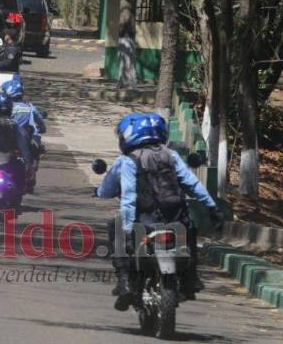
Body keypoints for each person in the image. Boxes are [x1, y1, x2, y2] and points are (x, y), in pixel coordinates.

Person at [95, 112, 223, 310]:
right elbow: (193, 183)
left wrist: (127, 229)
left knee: (116, 227)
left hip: (143, 223)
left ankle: (125, 281)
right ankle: (191, 280)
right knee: (190, 229)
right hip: (176, 220)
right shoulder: (170, 155)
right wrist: (212, 207)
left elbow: (127, 197)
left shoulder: (128, 161)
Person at [2, 77, 46, 148]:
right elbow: (39, 118)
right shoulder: (29, 105)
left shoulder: (6, 107)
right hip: (27, 139)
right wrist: (43, 129)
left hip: (10, 140)